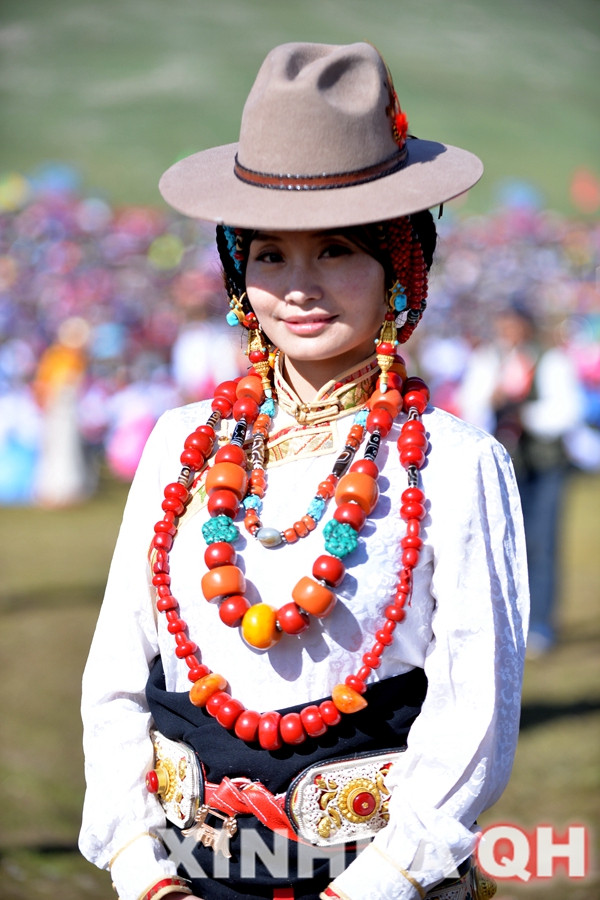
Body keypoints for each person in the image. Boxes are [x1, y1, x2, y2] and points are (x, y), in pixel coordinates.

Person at [80, 42, 528, 900]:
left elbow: (476, 704)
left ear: (401, 265)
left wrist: (383, 881)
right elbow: (116, 670)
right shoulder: (183, 445)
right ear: (238, 273)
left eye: (336, 250)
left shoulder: (456, 463)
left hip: (375, 876)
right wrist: (137, 864)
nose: (299, 287)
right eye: (271, 254)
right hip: (185, 874)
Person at [458, 305, 582, 655]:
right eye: (503, 325)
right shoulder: (489, 359)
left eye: (514, 325)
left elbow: (566, 411)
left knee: (542, 542)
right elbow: (471, 406)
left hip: (544, 465)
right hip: (506, 466)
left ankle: (541, 624)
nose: (508, 331)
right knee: (503, 546)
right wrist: (492, 402)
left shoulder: (550, 359)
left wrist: (525, 414)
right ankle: (508, 623)